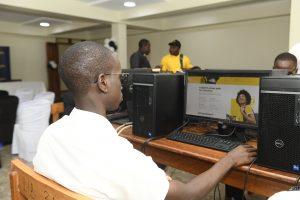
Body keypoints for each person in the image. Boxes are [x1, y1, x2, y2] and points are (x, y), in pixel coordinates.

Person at [33, 41, 256, 200]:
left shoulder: (51, 133)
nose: (124, 83)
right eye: (120, 76)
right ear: (103, 82)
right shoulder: (117, 154)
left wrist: (153, 178)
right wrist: (229, 159)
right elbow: (187, 195)